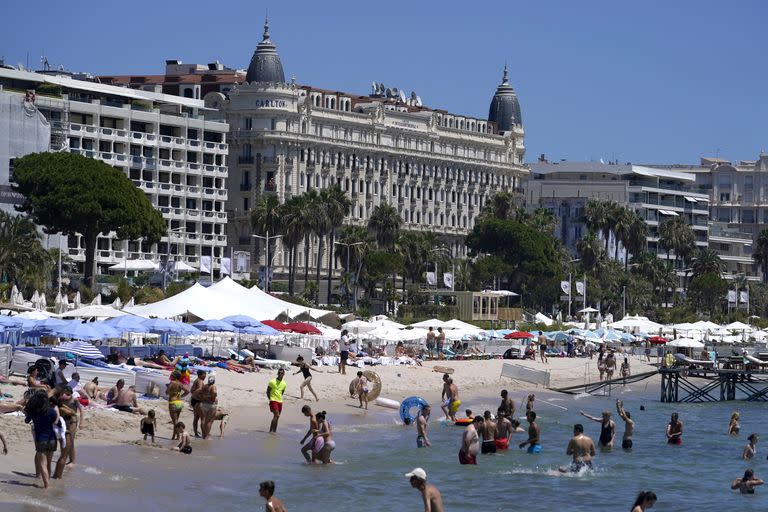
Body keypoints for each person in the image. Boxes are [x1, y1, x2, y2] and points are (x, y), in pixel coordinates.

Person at [24, 389, 59, 489]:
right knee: (48, 463)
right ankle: (48, 483)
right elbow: (55, 421)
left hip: (41, 439)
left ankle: (47, 487)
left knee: (43, 464)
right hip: (52, 439)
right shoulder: (51, 411)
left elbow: (26, 421)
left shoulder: (33, 411)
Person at [53, 386, 82, 479]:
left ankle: (72, 461)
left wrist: (81, 422)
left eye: (66, 392)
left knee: (71, 442)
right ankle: (59, 472)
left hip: (72, 421)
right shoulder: (61, 400)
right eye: (63, 392)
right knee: (66, 445)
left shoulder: (74, 400)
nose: (64, 394)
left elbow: (81, 411)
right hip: (65, 423)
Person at [166, 372, 188, 438]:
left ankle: (178, 435)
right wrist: (181, 395)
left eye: (172, 375)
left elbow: (167, 392)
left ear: (174, 376)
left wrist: (170, 390)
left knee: (174, 421)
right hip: (179, 402)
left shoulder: (172, 383)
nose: (170, 376)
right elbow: (187, 391)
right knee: (176, 420)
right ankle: (174, 436)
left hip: (173, 402)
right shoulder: (180, 384)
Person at [267, 368, 287, 433]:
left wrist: (279, 398)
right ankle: (270, 431)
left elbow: (282, 392)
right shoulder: (272, 381)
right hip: (273, 400)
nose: (280, 374)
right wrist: (270, 399)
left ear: (284, 374)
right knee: (277, 415)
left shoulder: (284, 383)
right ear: (277, 373)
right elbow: (268, 391)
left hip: (280, 401)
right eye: (279, 373)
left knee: (277, 417)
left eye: (282, 373)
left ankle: (274, 432)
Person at [190, 369, 207, 437]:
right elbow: (199, 390)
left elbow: (191, 390)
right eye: (204, 375)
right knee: (203, 418)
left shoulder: (196, 380)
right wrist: (203, 397)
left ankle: (196, 433)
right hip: (198, 401)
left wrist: (194, 395)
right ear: (200, 375)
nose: (205, 376)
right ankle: (204, 435)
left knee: (196, 418)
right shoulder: (200, 381)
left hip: (194, 401)